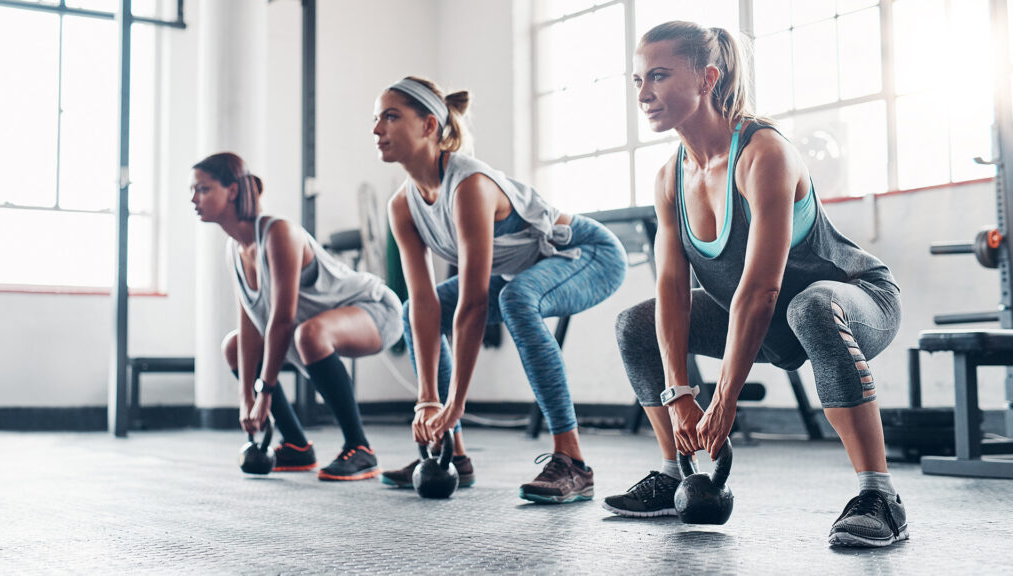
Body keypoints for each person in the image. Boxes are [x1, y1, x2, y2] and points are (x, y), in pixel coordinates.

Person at [601, 22, 907, 547]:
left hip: (854, 299)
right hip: (770, 320)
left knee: (809, 307)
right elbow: (673, 291)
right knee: (635, 324)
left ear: (707, 78)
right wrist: (680, 395)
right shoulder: (668, 179)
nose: (643, 93)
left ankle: (880, 497)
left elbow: (761, 288)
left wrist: (724, 399)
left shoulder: (764, 154)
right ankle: (676, 475)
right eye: (637, 80)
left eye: (658, 76)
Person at [373, 76, 628, 503]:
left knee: (516, 299)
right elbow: (423, 302)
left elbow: (473, 304)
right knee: (411, 310)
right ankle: (450, 451)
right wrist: (428, 402)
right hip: (529, 269)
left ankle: (574, 462)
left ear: (429, 125)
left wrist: (455, 402)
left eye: (391, 116)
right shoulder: (402, 205)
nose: (377, 128)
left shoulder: (469, 185)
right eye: (375, 118)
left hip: (590, 254)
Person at [190, 152, 403, 481]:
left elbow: (282, 319)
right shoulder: (234, 248)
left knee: (309, 333)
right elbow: (251, 327)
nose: (194, 198)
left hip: (375, 311)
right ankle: (296, 446)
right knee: (232, 345)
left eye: (202, 189)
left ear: (232, 191)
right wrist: (246, 397)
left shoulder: (279, 233)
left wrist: (264, 392)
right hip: (312, 327)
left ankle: (360, 449)